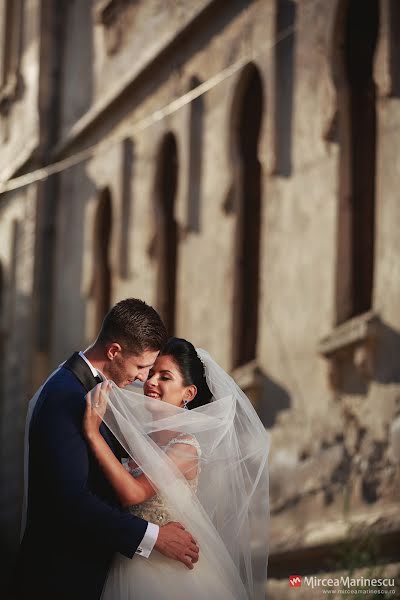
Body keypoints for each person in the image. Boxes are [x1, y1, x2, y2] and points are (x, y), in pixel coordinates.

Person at [15, 300, 199, 600]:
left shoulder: (92, 391)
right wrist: (154, 536)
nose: (143, 378)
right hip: (60, 580)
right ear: (114, 351)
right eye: (141, 367)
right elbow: (72, 501)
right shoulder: (67, 396)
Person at [83, 337, 270, 600]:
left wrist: (92, 433)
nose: (151, 382)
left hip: (166, 574)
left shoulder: (184, 448)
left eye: (165, 377)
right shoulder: (134, 440)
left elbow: (134, 493)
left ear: (188, 393)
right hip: (124, 561)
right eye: (151, 373)